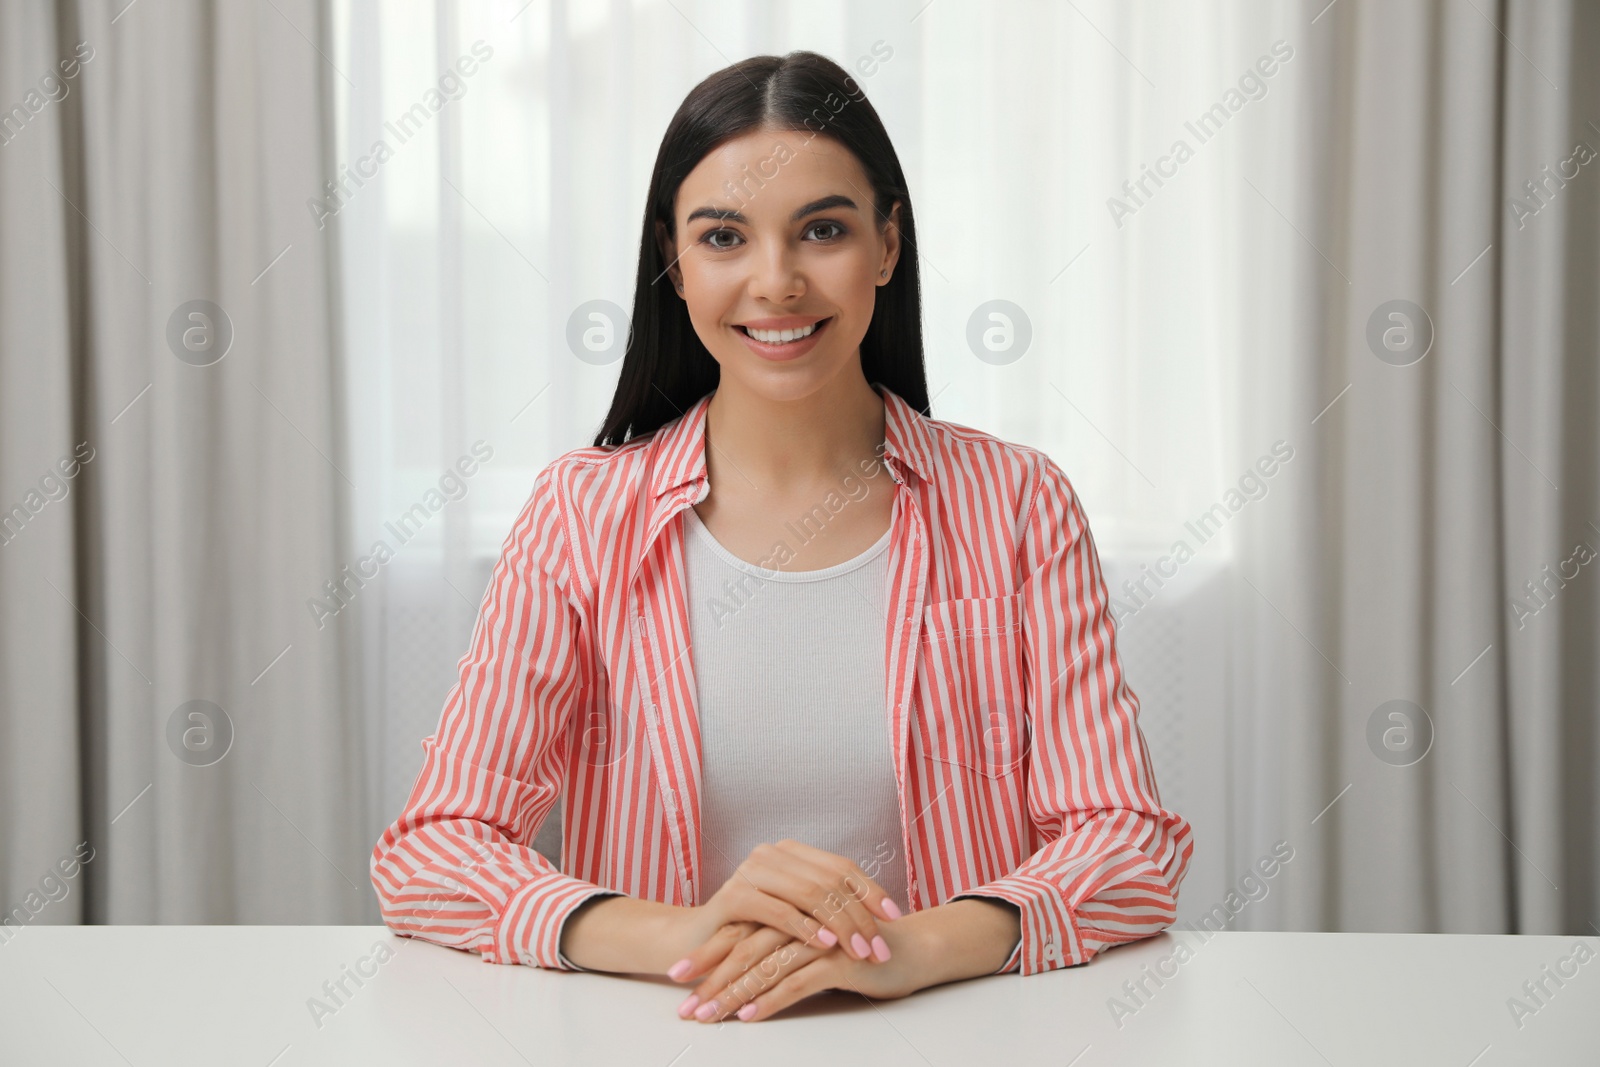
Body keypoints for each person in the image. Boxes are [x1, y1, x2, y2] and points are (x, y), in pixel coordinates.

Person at [370, 49, 1193, 1025]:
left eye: (824, 230)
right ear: (673, 263)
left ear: (886, 247)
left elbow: (1125, 842)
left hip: (959, 1034)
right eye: (724, 236)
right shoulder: (579, 516)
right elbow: (433, 848)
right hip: (664, 1032)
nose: (777, 280)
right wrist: (681, 936)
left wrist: (913, 946)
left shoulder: (1016, 502)